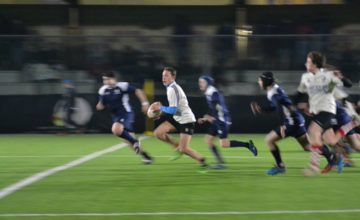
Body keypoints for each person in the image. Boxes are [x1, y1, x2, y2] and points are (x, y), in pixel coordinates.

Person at [296, 51, 351, 176]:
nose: (305, 63)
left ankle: (314, 166)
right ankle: (333, 157)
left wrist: (341, 77)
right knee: (330, 140)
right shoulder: (308, 77)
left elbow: (348, 84)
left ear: (315, 64)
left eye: (308, 61)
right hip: (318, 111)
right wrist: (305, 105)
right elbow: (305, 94)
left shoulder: (328, 76)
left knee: (313, 131)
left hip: (329, 110)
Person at [251, 71, 311, 175]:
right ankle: (332, 156)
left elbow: (278, 108)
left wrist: (282, 125)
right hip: (297, 120)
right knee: (307, 147)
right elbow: (274, 106)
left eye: (260, 80)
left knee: (269, 140)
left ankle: (280, 166)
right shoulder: (275, 89)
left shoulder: (273, 93)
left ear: (265, 81)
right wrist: (262, 108)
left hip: (291, 122)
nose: (258, 82)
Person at [152, 67, 208, 171]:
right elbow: (174, 110)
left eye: (166, 76)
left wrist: (160, 108)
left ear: (173, 77)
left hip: (187, 120)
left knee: (184, 149)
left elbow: (173, 110)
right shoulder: (170, 87)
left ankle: (201, 160)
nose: (163, 78)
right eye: (163, 75)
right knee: (158, 133)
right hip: (178, 117)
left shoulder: (173, 89)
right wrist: (162, 112)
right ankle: (176, 146)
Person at [197, 75, 257, 169]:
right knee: (208, 140)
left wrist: (212, 117)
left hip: (222, 121)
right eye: (199, 82)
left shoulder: (213, 92)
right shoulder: (209, 92)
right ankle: (220, 163)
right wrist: (207, 117)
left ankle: (247, 145)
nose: (200, 84)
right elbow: (213, 108)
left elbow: (221, 107)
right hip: (217, 120)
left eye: (202, 82)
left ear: (207, 83)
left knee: (224, 144)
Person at [96, 72, 152, 164]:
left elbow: (138, 91)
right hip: (116, 116)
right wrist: (100, 105)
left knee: (116, 129)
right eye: (105, 79)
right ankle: (145, 156)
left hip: (126, 113)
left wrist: (145, 103)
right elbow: (101, 103)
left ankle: (135, 142)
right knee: (127, 140)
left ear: (114, 79)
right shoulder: (103, 90)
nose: (107, 81)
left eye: (109, 79)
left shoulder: (122, 86)